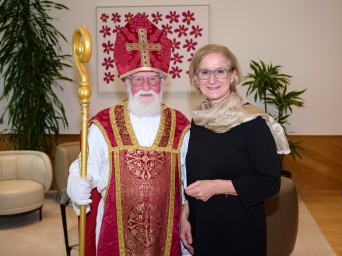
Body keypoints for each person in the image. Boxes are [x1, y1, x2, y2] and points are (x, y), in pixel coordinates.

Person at [67, 13, 190, 256]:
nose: (146, 87)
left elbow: (188, 177)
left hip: (167, 234)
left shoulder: (180, 125)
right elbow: (84, 165)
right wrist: (76, 183)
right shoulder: (104, 124)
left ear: (163, 82)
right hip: (115, 234)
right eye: (138, 79)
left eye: (153, 79)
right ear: (126, 82)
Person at [179, 44, 290, 256]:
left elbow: (269, 182)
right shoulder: (198, 122)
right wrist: (185, 215)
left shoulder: (253, 123)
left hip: (240, 230)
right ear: (196, 79)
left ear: (233, 76)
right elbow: (194, 177)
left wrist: (217, 187)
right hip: (202, 226)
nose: (212, 80)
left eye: (220, 71)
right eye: (204, 72)